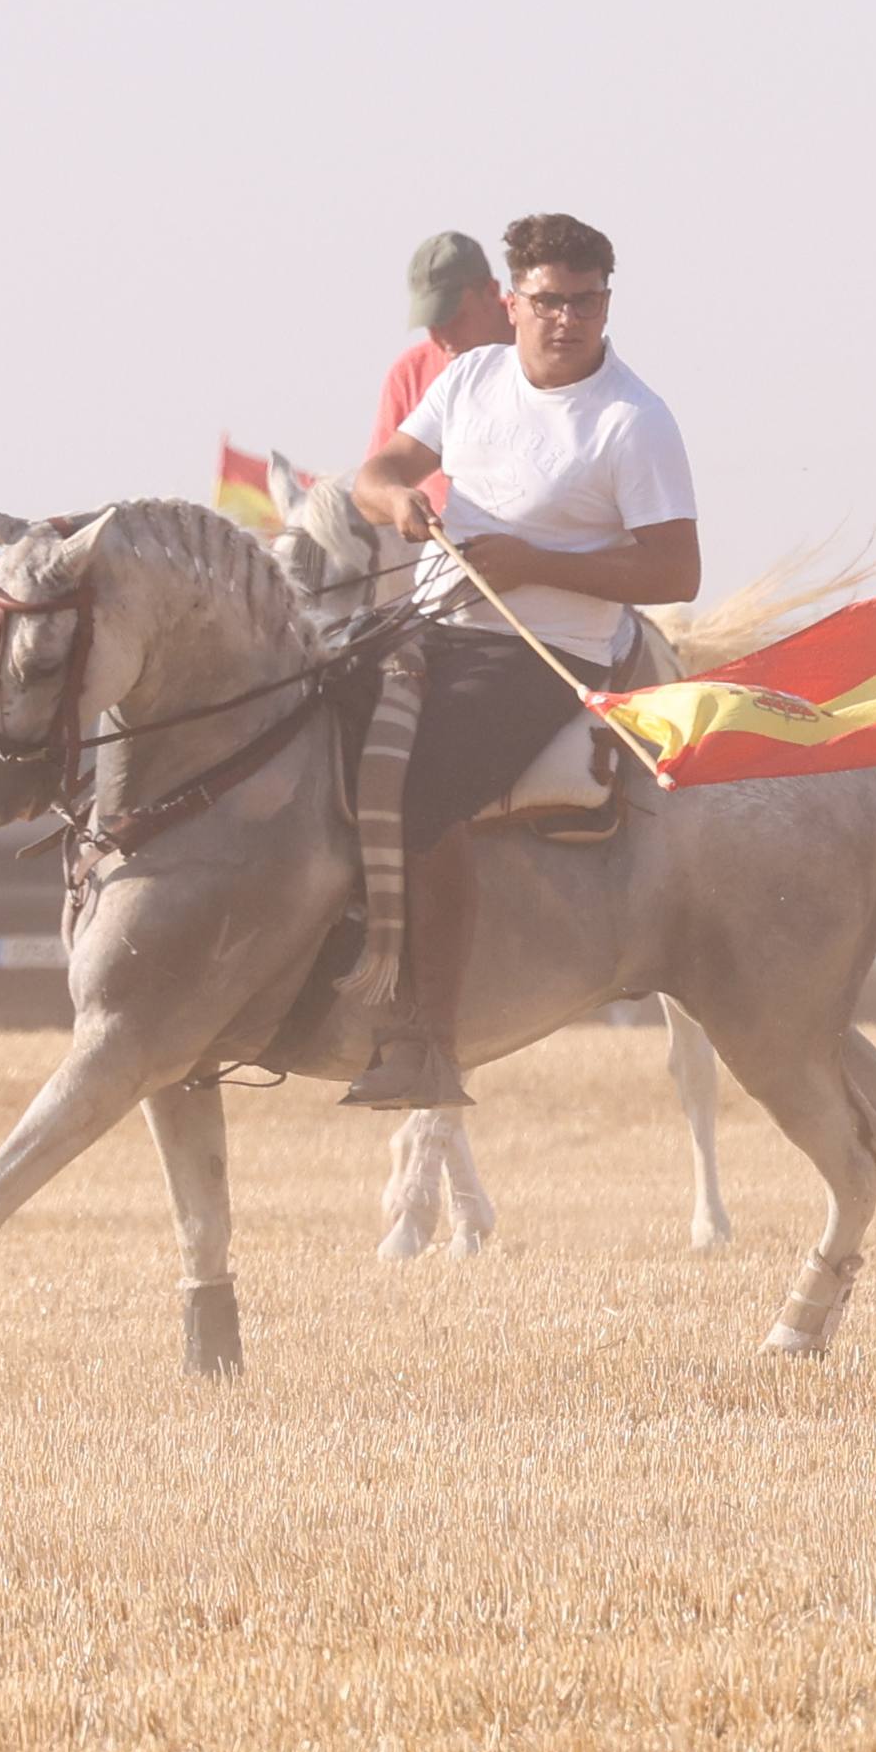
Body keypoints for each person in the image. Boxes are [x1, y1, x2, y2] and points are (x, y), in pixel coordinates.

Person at [342, 212, 700, 1107]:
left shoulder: (634, 421)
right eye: (548, 301)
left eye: (584, 302)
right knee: (305, 729)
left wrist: (538, 562)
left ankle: (428, 1037)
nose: (567, 319)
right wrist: (395, 503)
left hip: (545, 652)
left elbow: (676, 568)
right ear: (513, 301)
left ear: (606, 303)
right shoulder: (469, 377)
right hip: (428, 622)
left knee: (423, 792)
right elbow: (377, 471)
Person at [371, 231, 517, 485]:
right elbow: (375, 483)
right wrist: (394, 500)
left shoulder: (549, 352)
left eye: (454, 319)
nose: (443, 336)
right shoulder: (409, 374)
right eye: (432, 323)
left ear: (492, 292)